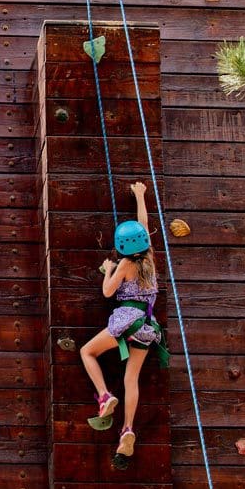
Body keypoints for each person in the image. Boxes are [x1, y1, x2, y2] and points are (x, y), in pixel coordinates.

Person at [80, 181, 160, 458]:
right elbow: (143, 225)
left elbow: (107, 292)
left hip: (127, 321)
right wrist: (140, 196)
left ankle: (103, 395)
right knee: (131, 378)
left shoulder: (125, 264)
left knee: (87, 351)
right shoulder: (150, 260)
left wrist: (108, 269)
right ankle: (127, 428)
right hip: (147, 326)